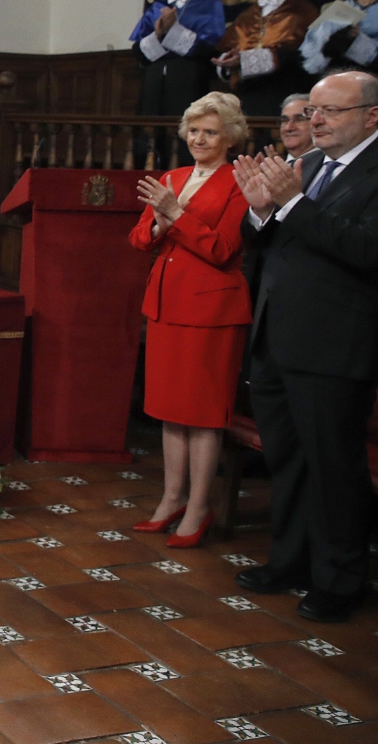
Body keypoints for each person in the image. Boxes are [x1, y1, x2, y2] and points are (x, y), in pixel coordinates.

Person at [233, 70, 378, 622]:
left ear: (371, 116)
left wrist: (292, 206)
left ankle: (341, 579)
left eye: (330, 111)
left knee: (333, 466)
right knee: (287, 461)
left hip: (335, 346)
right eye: (312, 110)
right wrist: (261, 210)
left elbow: (365, 250)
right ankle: (290, 560)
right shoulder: (310, 166)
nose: (315, 120)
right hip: (277, 335)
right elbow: (270, 244)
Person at [126, 92, 252, 548]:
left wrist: (176, 213)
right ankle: (171, 499)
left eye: (211, 131)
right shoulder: (172, 176)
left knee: (202, 414)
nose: (200, 138)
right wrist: (159, 222)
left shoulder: (240, 180)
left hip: (212, 311)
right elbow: (140, 239)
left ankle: (199, 507)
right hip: (166, 304)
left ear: (230, 136)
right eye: (194, 130)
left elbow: (223, 249)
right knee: (169, 410)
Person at [131, 0, 227, 155]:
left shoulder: (209, 4)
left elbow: (209, 48)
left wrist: (173, 29)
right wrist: (158, 33)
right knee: (148, 139)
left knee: (184, 139)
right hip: (154, 81)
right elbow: (139, 52)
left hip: (188, 79)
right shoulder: (157, 7)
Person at [212, 0, 318, 116]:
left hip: (283, 90)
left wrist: (245, 60)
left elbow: (298, 53)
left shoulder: (302, 10)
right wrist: (228, 61)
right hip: (247, 93)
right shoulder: (248, 14)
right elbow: (227, 46)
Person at [278, 94, 313, 163]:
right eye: (285, 120)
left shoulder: (327, 168)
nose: (289, 128)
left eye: (299, 120)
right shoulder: (275, 168)